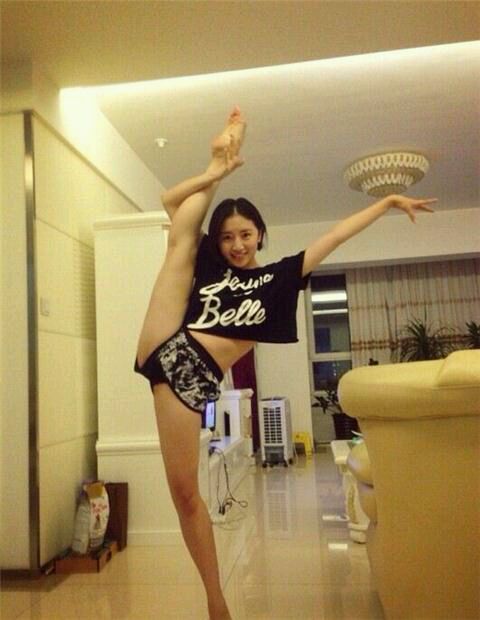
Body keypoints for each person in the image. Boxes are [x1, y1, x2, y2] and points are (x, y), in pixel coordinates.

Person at [134, 107, 436, 619]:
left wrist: (386, 201)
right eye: (227, 236)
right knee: (179, 241)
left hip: (193, 375)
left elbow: (333, 237)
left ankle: (215, 601)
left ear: (260, 233)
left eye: (245, 234)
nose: (236, 244)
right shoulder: (209, 263)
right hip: (167, 338)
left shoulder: (277, 279)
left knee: (185, 494)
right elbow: (170, 203)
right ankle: (216, 163)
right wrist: (216, 172)